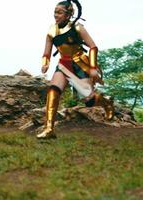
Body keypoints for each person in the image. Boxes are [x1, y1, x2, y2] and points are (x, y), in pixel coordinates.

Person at [37, 0, 115, 139]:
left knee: (88, 100)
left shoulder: (78, 28)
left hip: (79, 64)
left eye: (59, 12)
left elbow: (93, 47)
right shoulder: (51, 31)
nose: (56, 15)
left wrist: (92, 68)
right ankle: (49, 128)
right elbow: (46, 52)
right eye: (55, 12)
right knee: (53, 91)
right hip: (63, 65)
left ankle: (106, 102)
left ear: (68, 15)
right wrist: (45, 63)